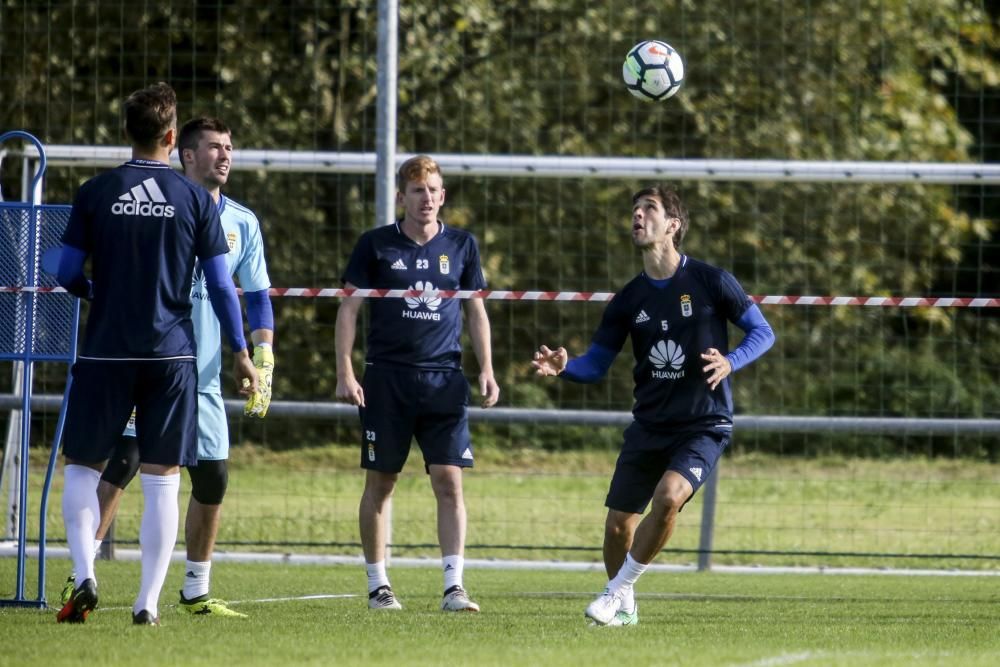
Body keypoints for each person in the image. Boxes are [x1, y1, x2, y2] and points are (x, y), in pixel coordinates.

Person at [55, 83, 257, 626]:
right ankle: (147, 601)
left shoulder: (95, 191)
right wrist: (241, 350)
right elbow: (220, 287)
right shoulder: (195, 199)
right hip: (172, 355)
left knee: (82, 468)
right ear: (172, 138)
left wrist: (95, 292)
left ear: (128, 132)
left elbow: (65, 271)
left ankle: (85, 574)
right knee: (163, 478)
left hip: (105, 353)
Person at [531, 185, 775, 626]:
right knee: (617, 528)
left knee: (667, 498)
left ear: (673, 226)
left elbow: (763, 332)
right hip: (649, 425)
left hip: (705, 423)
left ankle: (615, 592)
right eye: (635, 210)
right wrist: (565, 367)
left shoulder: (711, 280)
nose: (638, 216)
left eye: (649, 210)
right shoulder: (628, 299)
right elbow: (596, 366)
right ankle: (624, 606)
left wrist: (731, 361)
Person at [335, 154, 500, 612]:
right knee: (381, 483)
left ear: (442, 196)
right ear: (401, 197)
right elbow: (347, 310)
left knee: (450, 482)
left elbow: (476, 311)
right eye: (416, 191)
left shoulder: (462, 246)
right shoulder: (375, 245)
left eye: (432, 191)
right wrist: (345, 371)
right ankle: (378, 586)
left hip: (444, 381)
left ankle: (454, 586)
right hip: (386, 380)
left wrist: (486, 369)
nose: (425, 198)